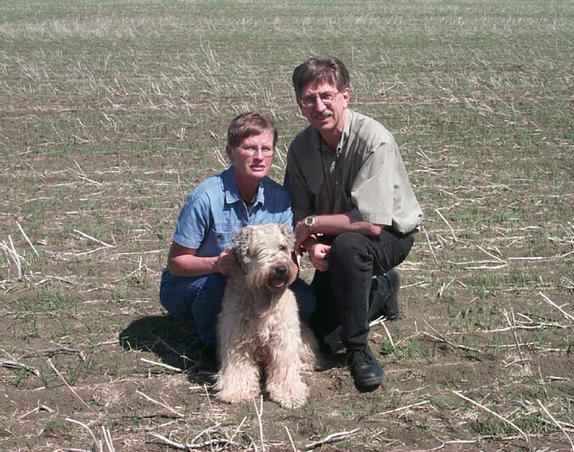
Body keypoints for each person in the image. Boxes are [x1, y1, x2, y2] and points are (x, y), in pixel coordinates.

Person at [284, 56, 423, 391]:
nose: (319, 105)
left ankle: (359, 349)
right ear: (300, 104)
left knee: (350, 248)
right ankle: (380, 289)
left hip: (388, 234)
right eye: (309, 98)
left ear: (345, 96)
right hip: (333, 238)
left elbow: (371, 223)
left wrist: (314, 225)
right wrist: (312, 243)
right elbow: (297, 214)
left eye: (326, 95)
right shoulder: (300, 148)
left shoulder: (374, 139)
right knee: (319, 334)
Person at [160, 112, 314, 349]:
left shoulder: (280, 198)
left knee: (306, 301)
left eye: (266, 149)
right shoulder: (205, 198)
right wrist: (216, 265)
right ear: (230, 153)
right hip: (196, 281)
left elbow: (289, 256)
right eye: (249, 148)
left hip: (253, 281)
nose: (259, 157)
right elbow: (176, 263)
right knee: (218, 287)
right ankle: (212, 344)